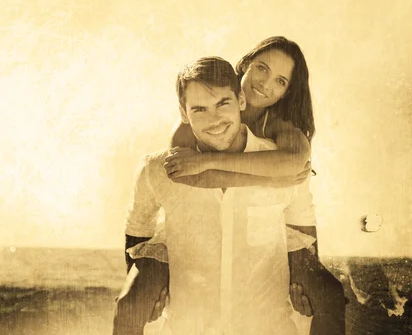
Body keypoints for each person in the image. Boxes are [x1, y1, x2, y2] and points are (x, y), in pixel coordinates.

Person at [113, 37, 345, 335]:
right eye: (262, 68)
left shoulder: (282, 133)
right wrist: (148, 287)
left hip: (270, 271)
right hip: (188, 258)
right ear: (245, 66)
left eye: (280, 81)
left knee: (330, 293)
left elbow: (302, 218)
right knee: (129, 305)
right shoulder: (172, 147)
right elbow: (179, 181)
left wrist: (305, 282)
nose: (265, 84)